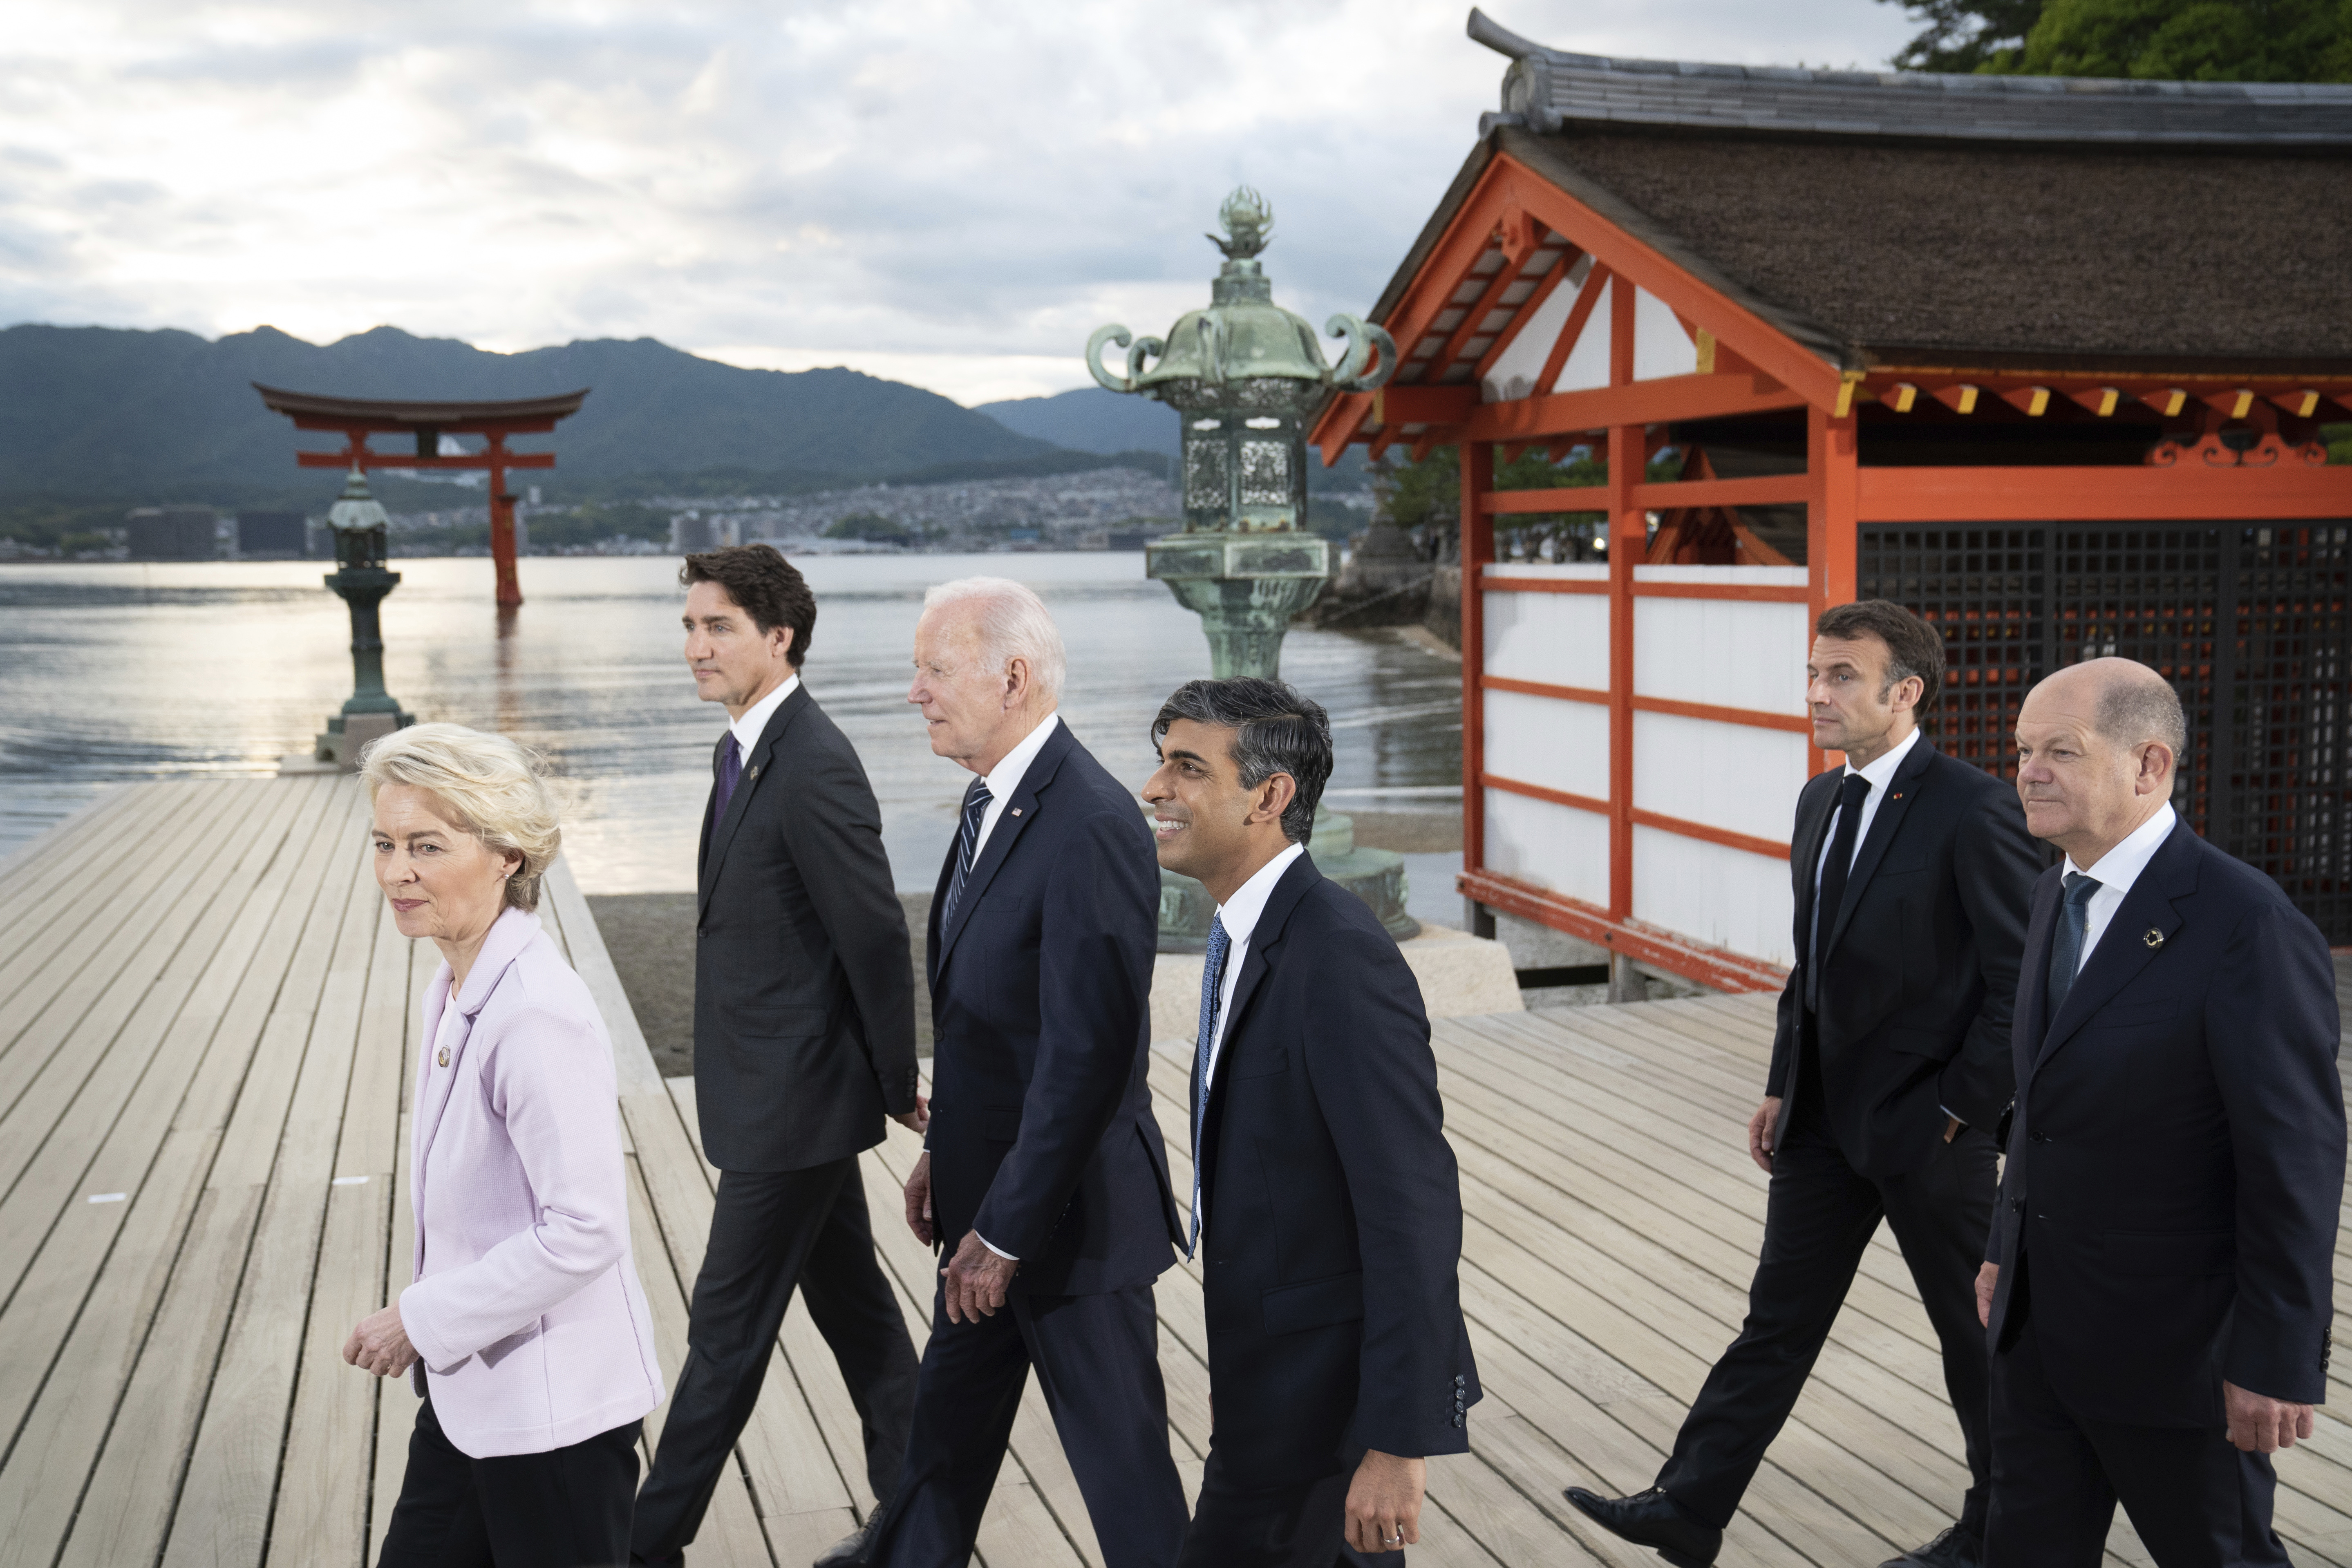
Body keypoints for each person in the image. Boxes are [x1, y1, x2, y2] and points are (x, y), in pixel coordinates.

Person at [1566, 600, 2041, 1568]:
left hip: (1933, 1129)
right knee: (1775, 1323)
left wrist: (1960, 1107)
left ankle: (2004, 1530)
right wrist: (1785, 1082)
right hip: (1822, 1121)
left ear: (1905, 691)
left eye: (1842, 677)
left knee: (1975, 1342)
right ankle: (1687, 1508)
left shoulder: (1974, 806)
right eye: (1814, 673)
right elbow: (1810, 963)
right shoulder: (1819, 798)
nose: (1818, 693)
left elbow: (2022, 978)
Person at [1978, 657, 2342, 1568]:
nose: (2028, 770)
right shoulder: (2053, 890)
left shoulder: (2244, 924)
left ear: (2149, 765)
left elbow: (2293, 1160)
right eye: (2023, 749)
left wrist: (2276, 1356)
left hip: (2177, 1355)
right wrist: (2000, 1244)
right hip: (2037, 1335)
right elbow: (2043, 1102)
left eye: (2060, 749)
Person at [860, 577, 1188, 1568]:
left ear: (1012, 675)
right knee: (940, 1449)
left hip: (1065, 1218)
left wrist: (1003, 1229)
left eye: (932, 667)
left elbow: (1086, 1054)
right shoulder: (989, 800)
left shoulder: (1089, 818)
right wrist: (948, 1162)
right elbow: (986, 1025)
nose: (914, 689)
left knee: (1125, 1477)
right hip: (987, 1203)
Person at [631, 544, 925, 1568]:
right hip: (782, 1091)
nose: (696, 646)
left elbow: (876, 933)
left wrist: (896, 1083)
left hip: (795, 1104)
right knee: (862, 1322)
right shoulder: (750, 748)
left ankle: (641, 1545)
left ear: (780, 636)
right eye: (690, 625)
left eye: (718, 627)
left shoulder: (812, 758)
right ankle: (919, 1519)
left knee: (724, 1336)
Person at [1145, 678, 1479, 1566]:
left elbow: (1413, 1205)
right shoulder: (1248, 933)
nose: (1152, 788)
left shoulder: (1335, 954)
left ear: (1269, 795)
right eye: (1160, 761)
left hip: (1321, 1399)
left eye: (1186, 766)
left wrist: (1397, 1441)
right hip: (1273, 1378)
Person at [342, 722, 665, 1568]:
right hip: (473, 1397)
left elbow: (586, 1227)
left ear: (509, 853)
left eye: (426, 845)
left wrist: (419, 1317)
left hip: (553, 1419)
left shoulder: (533, 1013)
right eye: (384, 842)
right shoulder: (450, 987)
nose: (395, 871)